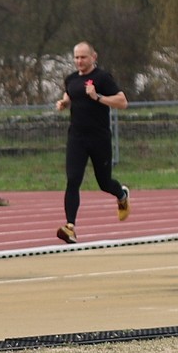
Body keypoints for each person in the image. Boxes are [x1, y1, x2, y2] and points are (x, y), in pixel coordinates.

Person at [53, 41, 131, 244]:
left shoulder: (102, 78)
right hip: (76, 138)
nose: (79, 61)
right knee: (73, 179)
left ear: (93, 57)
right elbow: (70, 94)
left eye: (83, 57)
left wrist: (97, 97)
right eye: (76, 57)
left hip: (99, 137)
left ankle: (121, 195)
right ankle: (70, 227)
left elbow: (122, 102)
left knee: (104, 183)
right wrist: (64, 102)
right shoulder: (70, 79)